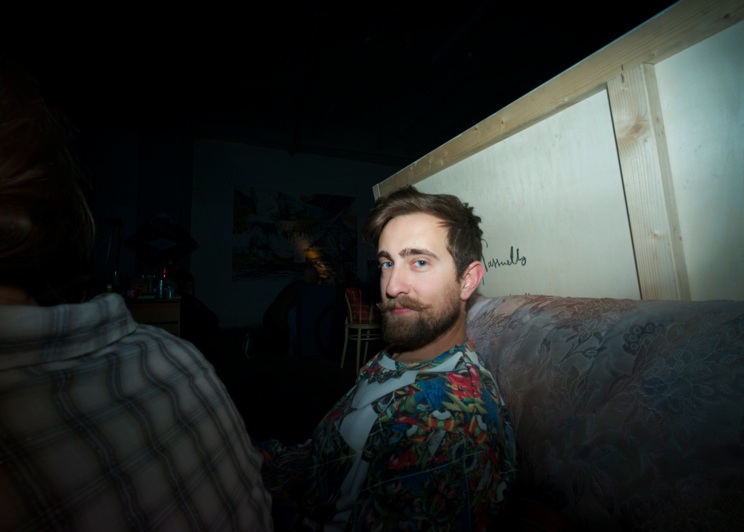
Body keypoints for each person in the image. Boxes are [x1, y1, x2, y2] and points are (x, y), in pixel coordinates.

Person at [0, 58, 273, 530]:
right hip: (163, 303)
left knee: (201, 319)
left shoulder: (176, 352)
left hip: (177, 296)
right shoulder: (174, 359)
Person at [260, 186, 517, 530]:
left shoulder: (447, 426)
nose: (392, 286)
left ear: (467, 280)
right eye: (387, 263)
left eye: (419, 262)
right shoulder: (401, 351)